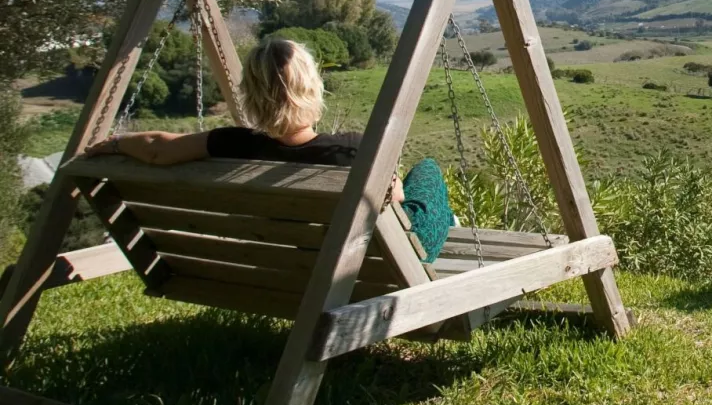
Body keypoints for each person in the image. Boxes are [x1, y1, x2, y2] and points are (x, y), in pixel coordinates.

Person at [85, 36, 454, 260]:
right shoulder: (357, 151)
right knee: (426, 169)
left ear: (252, 94)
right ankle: (447, 220)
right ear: (313, 88)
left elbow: (156, 149)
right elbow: (397, 202)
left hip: (288, 259)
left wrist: (116, 142)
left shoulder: (230, 144)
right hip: (370, 261)